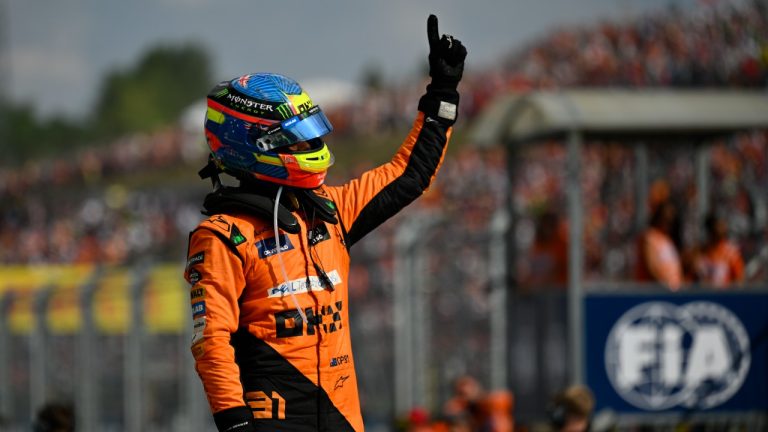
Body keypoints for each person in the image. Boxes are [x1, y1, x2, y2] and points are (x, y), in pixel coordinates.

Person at [184, 15, 466, 432]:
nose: (312, 147)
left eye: (312, 135)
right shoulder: (224, 236)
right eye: (296, 140)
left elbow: (409, 175)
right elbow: (212, 342)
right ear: (254, 145)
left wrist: (442, 93)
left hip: (343, 421)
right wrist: (234, 422)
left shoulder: (330, 209)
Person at [635, 199, 683, 290]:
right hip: (657, 291)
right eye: (665, 218)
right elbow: (651, 266)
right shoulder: (650, 237)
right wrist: (663, 285)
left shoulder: (668, 239)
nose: (668, 223)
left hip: (674, 290)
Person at [693, 212, 745, 287]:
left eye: (722, 225)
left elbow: (740, 281)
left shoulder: (731, 253)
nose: (720, 229)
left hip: (724, 296)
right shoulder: (700, 252)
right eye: (718, 225)